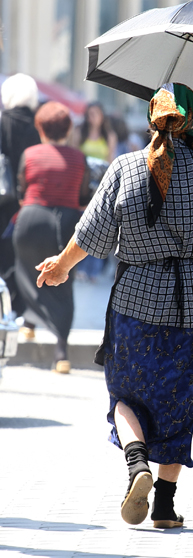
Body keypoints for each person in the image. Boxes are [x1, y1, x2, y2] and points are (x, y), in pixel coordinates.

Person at [35, 82, 193, 528]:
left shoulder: (127, 166)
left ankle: (136, 463)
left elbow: (92, 232)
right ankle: (164, 505)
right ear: (192, 120)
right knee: (180, 401)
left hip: (136, 299)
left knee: (125, 393)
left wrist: (61, 266)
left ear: (150, 118)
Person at [13, 101, 90, 373]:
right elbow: (83, 197)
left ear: (40, 129)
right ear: (68, 129)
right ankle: (61, 352)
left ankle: (29, 322)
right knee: (63, 280)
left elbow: (21, 189)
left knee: (27, 271)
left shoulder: (30, 153)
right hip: (66, 222)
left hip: (31, 219)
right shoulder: (79, 158)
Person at [0, 73, 41, 332]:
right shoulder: (37, 126)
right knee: (22, 257)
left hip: (1, 199)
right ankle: (18, 309)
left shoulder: (2, 121)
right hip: (28, 202)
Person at [74, 102, 117, 280]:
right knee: (80, 226)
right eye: (89, 113)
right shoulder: (79, 133)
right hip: (82, 186)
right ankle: (79, 267)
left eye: (96, 113)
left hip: (100, 187)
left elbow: (111, 162)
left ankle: (93, 269)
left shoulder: (109, 136)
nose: (92, 117)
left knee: (98, 228)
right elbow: (74, 157)